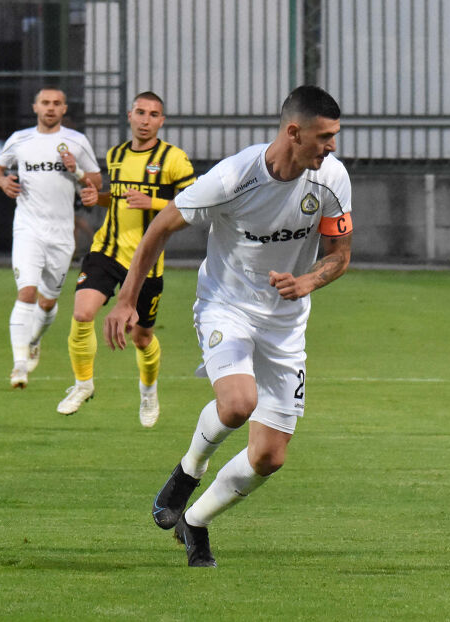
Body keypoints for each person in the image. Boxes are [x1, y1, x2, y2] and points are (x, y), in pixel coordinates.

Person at [103, 86, 352, 566]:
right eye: (324, 137)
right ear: (293, 132)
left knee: (269, 457)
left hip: (285, 326)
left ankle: (195, 522)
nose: (332, 146)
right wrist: (126, 300)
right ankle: (188, 470)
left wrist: (307, 281)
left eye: (334, 136)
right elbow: (160, 227)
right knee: (238, 403)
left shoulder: (332, 179)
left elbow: (340, 255)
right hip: (226, 307)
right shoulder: (234, 177)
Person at [57, 91, 195, 427]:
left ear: (162, 121)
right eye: (140, 113)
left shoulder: (174, 159)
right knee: (82, 312)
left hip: (147, 261)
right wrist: (98, 197)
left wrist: (154, 204)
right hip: (107, 250)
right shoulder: (116, 154)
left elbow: (194, 206)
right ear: (130, 116)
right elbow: (119, 200)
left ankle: (148, 392)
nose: (145, 120)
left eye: (153, 114)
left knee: (142, 338)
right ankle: (83, 384)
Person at [0, 87, 101, 389]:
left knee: (48, 302)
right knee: (26, 292)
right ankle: (19, 365)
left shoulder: (77, 142)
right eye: (45, 103)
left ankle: (34, 340)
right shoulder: (20, 139)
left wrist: (78, 172)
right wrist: (3, 182)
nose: (50, 107)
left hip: (61, 233)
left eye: (56, 103)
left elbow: (97, 181)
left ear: (64, 109)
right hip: (28, 229)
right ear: (35, 107)